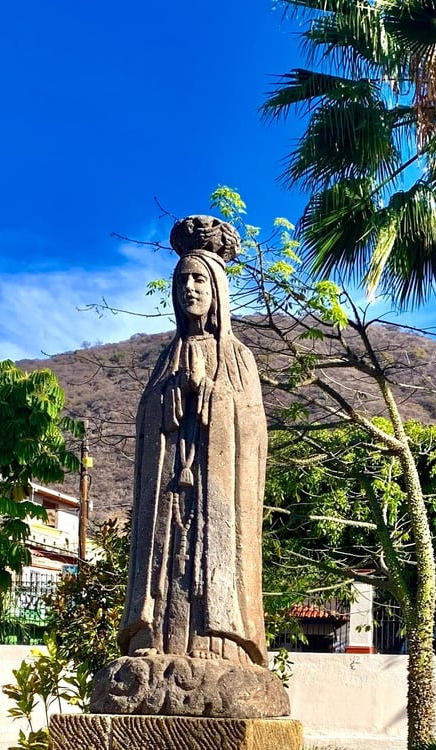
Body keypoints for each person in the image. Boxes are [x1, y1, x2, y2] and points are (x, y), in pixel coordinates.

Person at [118, 216, 268, 667]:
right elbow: (145, 422)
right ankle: (155, 634)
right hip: (171, 490)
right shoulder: (166, 357)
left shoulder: (238, 357)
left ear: (218, 288)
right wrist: (170, 396)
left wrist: (213, 396)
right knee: (164, 562)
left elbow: (255, 432)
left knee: (211, 561)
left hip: (214, 493)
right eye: (182, 281)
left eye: (200, 279)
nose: (190, 290)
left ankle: (219, 637)